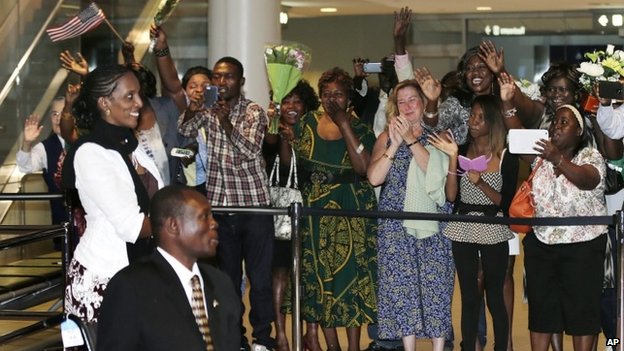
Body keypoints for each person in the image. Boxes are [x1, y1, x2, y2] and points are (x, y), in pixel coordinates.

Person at [178, 56, 275, 351]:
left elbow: (249, 150)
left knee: (259, 280)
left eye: (228, 77)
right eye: (217, 77)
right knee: (228, 281)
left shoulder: (253, 112)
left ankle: (262, 339)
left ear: (241, 82)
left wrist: (224, 120)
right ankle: (236, 339)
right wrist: (194, 108)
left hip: (255, 207)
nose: (221, 83)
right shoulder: (207, 109)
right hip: (220, 206)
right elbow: (184, 133)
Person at [280, 67, 377, 351]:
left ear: (348, 97)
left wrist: (344, 123)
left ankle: (353, 347)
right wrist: (286, 141)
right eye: (326, 93)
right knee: (321, 280)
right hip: (314, 211)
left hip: (350, 211)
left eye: (338, 94)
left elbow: (363, 169)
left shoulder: (360, 128)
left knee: (350, 280)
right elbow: (290, 164)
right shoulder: (307, 122)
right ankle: (331, 345)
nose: (331, 99)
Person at [61, 64, 164, 322]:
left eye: (139, 94)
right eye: (130, 96)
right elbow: (133, 226)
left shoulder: (130, 145)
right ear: (105, 103)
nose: (140, 102)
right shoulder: (91, 152)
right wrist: (178, 224)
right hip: (104, 279)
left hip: (140, 272)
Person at [505, 99, 608, 351]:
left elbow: (588, 180)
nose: (556, 127)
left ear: (579, 131)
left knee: (582, 314)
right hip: (542, 247)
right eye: (554, 122)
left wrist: (558, 159)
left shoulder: (591, 156)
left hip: (582, 248)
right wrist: (508, 102)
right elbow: (517, 136)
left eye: (564, 122)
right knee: (542, 312)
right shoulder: (540, 159)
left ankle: (604, 346)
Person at [96, 185, 241, 351]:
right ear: (173, 225)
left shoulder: (220, 283)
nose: (214, 224)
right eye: (204, 216)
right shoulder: (132, 287)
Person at [367, 79, 454, 351]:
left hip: (433, 220)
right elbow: (374, 178)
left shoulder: (438, 134)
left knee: (436, 284)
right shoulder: (385, 136)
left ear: (424, 102)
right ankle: (409, 347)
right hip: (395, 221)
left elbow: (436, 175)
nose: (407, 107)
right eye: (401, 101)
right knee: (401, 286)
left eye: (412, 100)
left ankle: (439, 346)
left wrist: (411, 140)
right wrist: (394, 144)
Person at [431, 94, 519, 351]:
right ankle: (468, 346)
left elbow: (506, 203)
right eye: (472, 115)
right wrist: (452, 158)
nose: (473, 121)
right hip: (463, 224)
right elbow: (451, 196)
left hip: (494, 225)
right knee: (469, 297)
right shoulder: (461, 148)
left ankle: (501, 346)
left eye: (480, 117)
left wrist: (480, 182)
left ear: (492, 121)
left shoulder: (506, 155)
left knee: (495, 297)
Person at [263, 80, 320, 351]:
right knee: (280, 272)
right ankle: (282, 335)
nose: (292, 107)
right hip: (280, 215)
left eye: (297, 101)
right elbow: (281, 161)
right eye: (286, 101)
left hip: (311, 212)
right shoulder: (271, 132)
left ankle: (311, 333)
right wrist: (281, 134)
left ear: (306, 105)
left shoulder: (314, 131)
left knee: (310, 274)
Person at [16, 96, 68, 227]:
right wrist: (27, 143)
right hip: (62, 227)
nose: (57, 118)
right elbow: (25, 166)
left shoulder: (88, 143)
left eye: (62, 113)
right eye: (54, 114)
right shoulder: (45, 147)